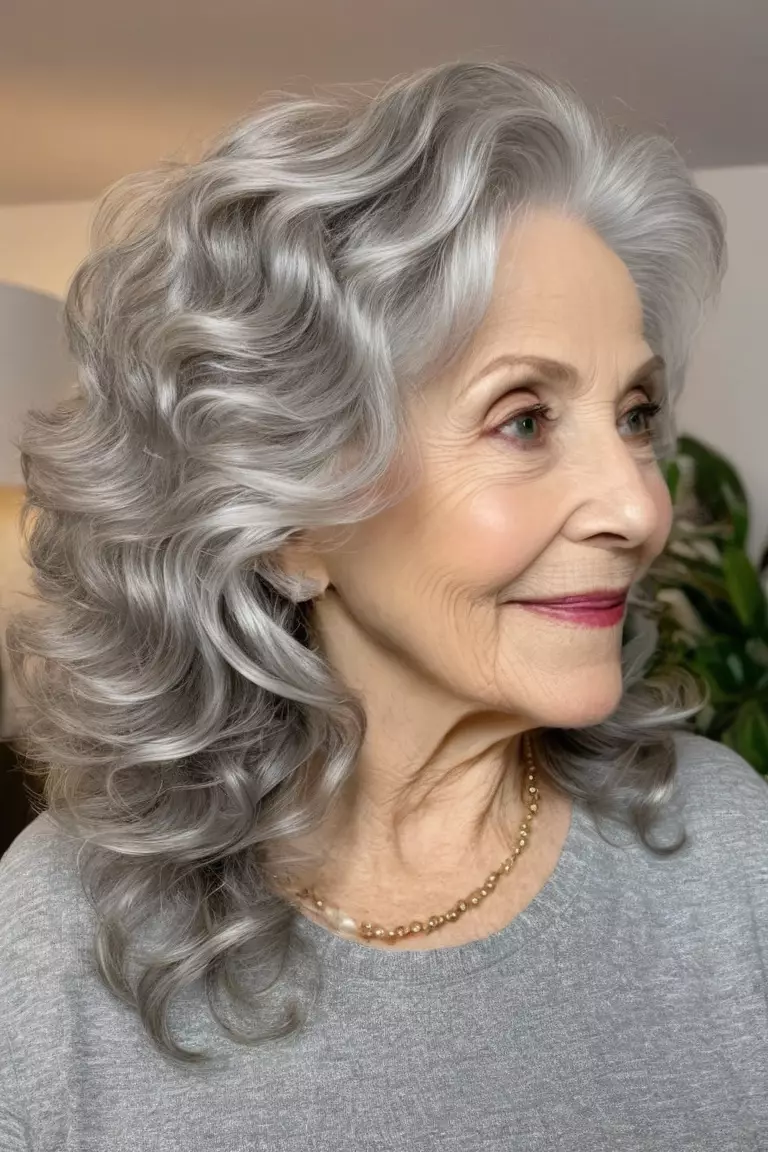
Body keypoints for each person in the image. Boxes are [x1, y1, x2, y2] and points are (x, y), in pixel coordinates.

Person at [1, 59, 766, 1152]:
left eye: (635, 413)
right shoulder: (55, 938)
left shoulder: (727, 853)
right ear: (295, 520)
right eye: (524, 420)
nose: (640, 506)